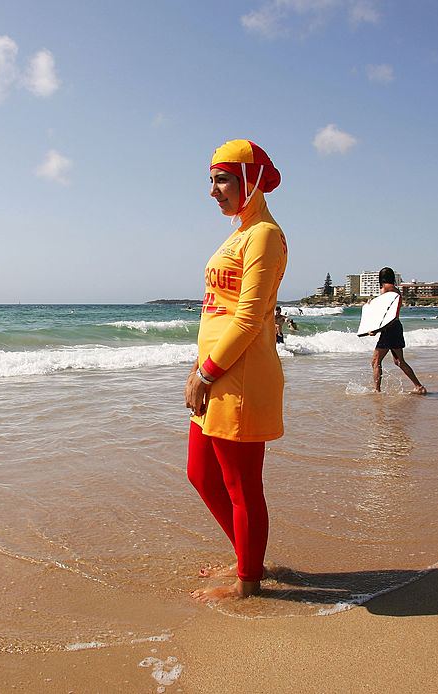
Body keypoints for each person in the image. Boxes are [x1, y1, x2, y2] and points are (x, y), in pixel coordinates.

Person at [185, 139, 287, 602]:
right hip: (215, 371)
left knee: (242, 485)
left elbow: (248, 316)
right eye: (211, 179)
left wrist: (206, 373)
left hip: (240, 377)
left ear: (250, 180)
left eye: (223, 178)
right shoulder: (237, 232)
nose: (213, 190)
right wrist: (201, 368)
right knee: (201, 474)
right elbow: (217, 312)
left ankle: (248, 583)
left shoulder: (265, 234)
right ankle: (250, 557)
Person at [370, 267, 426, 394]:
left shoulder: (385, 289)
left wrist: (376, 329)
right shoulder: (396, 290)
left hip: (389, 329)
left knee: (375, 361)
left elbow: (386, 314)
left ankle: (377, 391)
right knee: (399, 361)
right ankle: (419, 387)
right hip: (396, 327)